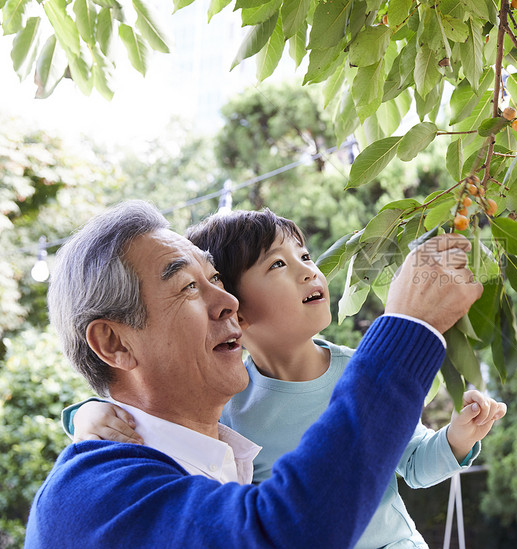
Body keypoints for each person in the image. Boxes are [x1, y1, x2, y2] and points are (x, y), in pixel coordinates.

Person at [24, 200, 483, 548]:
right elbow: (284, 529)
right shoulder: (90, 494)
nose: (230, 304)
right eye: (187, 287)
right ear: (115, 343)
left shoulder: (225, 465)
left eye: (216, 280)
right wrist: (407, 330)